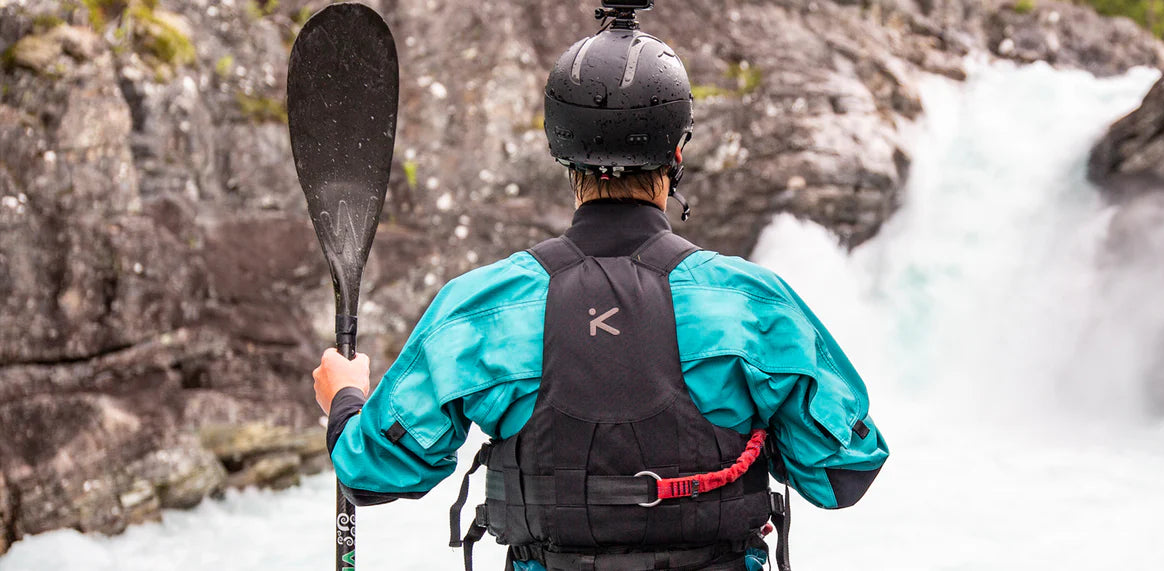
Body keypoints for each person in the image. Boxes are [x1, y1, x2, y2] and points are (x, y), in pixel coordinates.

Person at [309, 4, 888, 570]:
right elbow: (845, 471)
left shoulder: (483, 309)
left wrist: (346, 400)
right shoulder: (750, 304)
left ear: (561, 150)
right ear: (677, 152)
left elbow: (375, 472)